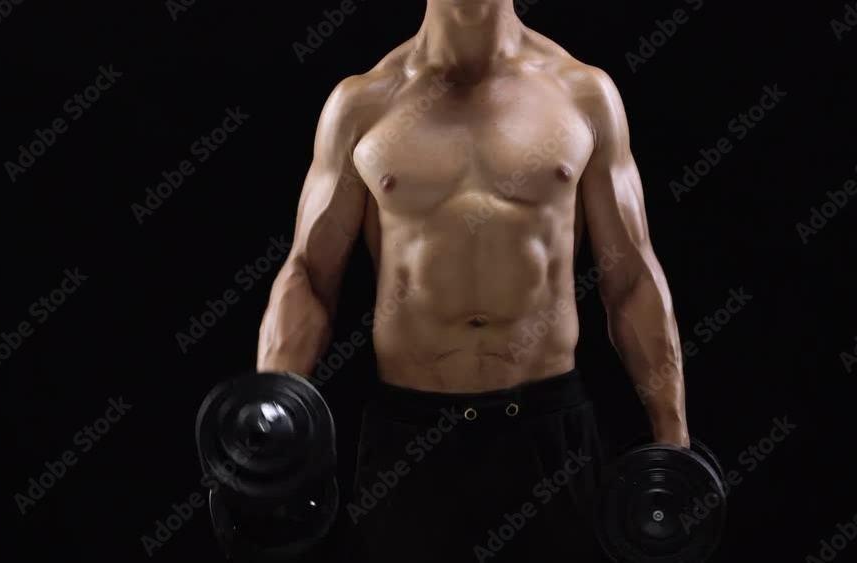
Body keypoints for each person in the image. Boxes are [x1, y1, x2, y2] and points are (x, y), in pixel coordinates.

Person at [256, 0, 688, 560]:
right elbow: (310, 276)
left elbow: (631, 278)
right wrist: (268, 430)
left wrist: (673, 442)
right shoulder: (361, 105)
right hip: (409, 442)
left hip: (547, 437)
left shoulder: (583, 95)